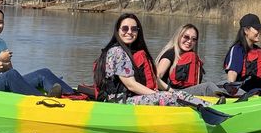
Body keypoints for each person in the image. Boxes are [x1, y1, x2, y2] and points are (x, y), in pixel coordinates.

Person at [93, 13, 224, 105]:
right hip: (117, 102)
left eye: (134, 29)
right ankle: (210, 110)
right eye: (125, 28)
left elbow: (151, 81)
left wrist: (169, 92)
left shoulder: (127, 51)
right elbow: (130, 84)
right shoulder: (117, 51)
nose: (129, 32)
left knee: (177, 95)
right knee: (171, 97)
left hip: (128, 98)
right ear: (117, 30)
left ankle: (211, 107)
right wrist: (155, 94)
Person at [0, 6, 75, 96]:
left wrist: (4, 66)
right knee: (11, 75)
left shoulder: (1, 42)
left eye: (0, 22)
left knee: (43, 73)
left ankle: (75, 97)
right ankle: (43, 102)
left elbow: (10, 70)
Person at [156, 24, 205, 88]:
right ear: (178, 36)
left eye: (194, 39)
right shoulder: (170, 54)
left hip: (187, 92)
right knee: (208, 86)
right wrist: (169, 90)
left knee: (221, 84)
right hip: (170, 94)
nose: (190, 41)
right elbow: (155, 78)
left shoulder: (191, 56)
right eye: (186, 37)